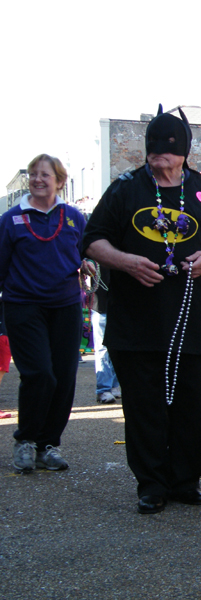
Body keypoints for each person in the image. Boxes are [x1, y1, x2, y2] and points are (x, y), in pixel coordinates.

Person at [84, 105, 201, 514]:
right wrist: (125, 262)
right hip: (138, 323)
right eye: (154, 152)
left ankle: (185, 480)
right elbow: (93, 240)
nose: (160, 159)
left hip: (193, 323)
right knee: (145, 405)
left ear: (185, 152)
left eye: (169, 152)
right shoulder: (125, 189)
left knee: (191, 403)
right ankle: (152, 484)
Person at [0, 154, 93, 473]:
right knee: (40, 373)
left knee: (65, 377)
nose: (38, 179)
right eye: (33, 174)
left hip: (65, 306)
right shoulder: (11, 219)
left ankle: (48, 444)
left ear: (60, 181)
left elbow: (83, 250)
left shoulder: (74, 217)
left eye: (45, 174)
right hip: (23, 306)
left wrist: (87, 263)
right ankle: (25, 440)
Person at [91, 265, 122, 404]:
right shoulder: (97, 251)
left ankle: (115, 385)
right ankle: (104, 388)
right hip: (101, 304)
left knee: (118, 347)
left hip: (119, 304)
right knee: (102, 349)